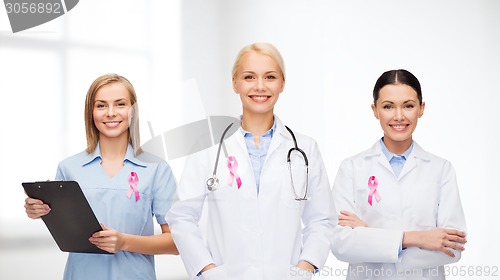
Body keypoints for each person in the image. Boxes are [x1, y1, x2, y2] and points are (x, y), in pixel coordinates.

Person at [166, 42, 336, 280]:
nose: (260, 86)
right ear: (235, 83)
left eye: (270, 77)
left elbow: (322, 220)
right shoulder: (209, 146)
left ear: (282, 83)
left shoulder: (305, 148)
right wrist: (208, 270)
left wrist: (304, 269)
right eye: (249, 77)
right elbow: (181, 216)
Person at [24, 73, 178, 279]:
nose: (111, 113)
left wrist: (123, 242)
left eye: (120, 104)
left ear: (133, 111)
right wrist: (38, 210)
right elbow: (63, 226)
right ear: (91, 112)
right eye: (101, 105)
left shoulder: (157, 169)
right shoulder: (69, 168)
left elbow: (176, 243)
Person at [330, 69, 467, 279]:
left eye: (409, 106)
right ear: (375, 110)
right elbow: (340, 244)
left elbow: (453, 248)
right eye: (388, 107)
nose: (399, 116)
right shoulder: (352, 168)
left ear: (421, 109)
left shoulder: (441, 170)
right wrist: (415, 238)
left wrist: (368, 238)